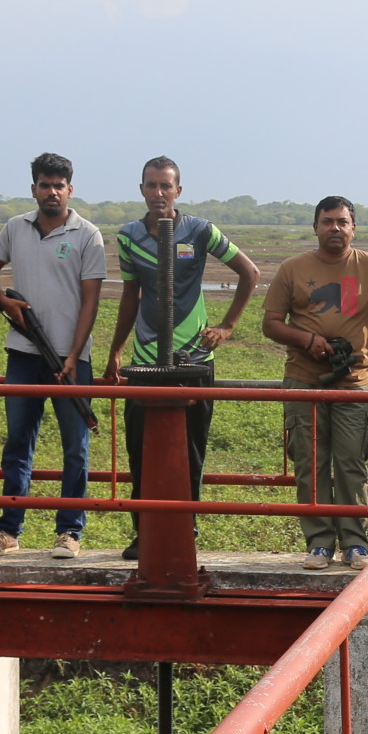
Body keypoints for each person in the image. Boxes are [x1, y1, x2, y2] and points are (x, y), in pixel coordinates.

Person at [108, 156, 261, 557]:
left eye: (166, 185)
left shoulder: (199, 230)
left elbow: (250, 273)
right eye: (151, 185)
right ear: (141, 189)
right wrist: (116, 350)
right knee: (141, 449)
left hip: (194, 358)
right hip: (145, 360)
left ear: (178, 190)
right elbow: (129, 296)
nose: (158, 193)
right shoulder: (128, 236)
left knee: (190, 450)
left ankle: (184, 528)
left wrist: (226, 327)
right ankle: (144, 531)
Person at [261, 196, 368, 570]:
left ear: (353, 228)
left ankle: (355, 542)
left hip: (354, 383)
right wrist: (307, 340)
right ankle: (319, 542)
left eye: (342, 222)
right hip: (303, 381)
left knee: (350, 462)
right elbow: (271, 323)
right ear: (315, 227)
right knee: (309, 463)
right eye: (327, 221)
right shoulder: (293, 268)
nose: (335, 228)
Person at [0, 153, 107, 558]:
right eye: (45, 184)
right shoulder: (15, 228)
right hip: (24, 354)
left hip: (71, 360)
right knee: (18, 443)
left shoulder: (88, 235)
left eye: (59, 185)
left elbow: (91, 301)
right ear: (34, 188)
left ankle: (69, 532)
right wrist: (4, 303)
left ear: (70, 189)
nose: (52, 192)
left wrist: (74, 354)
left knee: (75, 448)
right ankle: (8, 531)